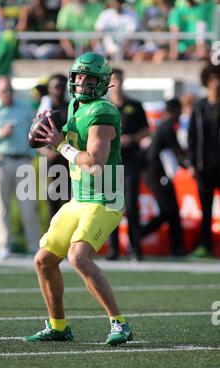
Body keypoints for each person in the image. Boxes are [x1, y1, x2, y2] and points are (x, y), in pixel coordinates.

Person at [24, 52, 132, 345]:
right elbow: (63, 145)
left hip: (105, 197)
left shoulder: (103, 112)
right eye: (79, 76)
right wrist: (47, 138)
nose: (81, 82)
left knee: (78, 257)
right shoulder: (75, 104)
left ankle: (119, 323)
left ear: (102, 83)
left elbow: (95, 162)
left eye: (89, 78)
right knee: (44, 261)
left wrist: (60, 145)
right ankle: (58, 326)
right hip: (79, 197)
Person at [0, 77, 41, 261]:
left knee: (29, 205)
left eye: (10, 90)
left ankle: (34, 246)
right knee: (1, 205)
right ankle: (3, 246)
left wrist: (31, 154)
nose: (8, 94)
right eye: (4, 91)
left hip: (22, 160)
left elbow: (33, 132)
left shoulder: (24, 108)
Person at [106, 68, 149, 261]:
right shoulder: (102, 107)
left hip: (130, 161)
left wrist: (132, 138)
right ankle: (113, 250)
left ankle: (136, 249)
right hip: (109, 162)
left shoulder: (135, 105)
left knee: (131, 206)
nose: (117, 83)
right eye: (113, 79)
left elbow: (146, 130)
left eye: (119, 79)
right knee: (112, 207)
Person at [141, 98, 186, 256]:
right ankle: (139, 235)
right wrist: (190, 165)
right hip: (156, 174)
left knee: (172, 210)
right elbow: (178, 151)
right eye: (179, 111)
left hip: (158, 174)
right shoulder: (166, 128)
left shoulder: (164, 127)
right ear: (174, 111)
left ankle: (177, 247)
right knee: (169, 210)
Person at [188, 63, 220, 258]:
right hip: (204, 165)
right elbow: (192, 137)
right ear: (206, 82)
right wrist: (192, 163)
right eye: (212, 79)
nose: (215, 83)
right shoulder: (199, 107)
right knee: (205, 209)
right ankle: (204, 245)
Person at [37, 74, 71, 219]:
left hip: (69, 158)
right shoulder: (46, 107)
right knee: (53, 202)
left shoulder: (71, 107)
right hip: (52, 160)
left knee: (71, 201)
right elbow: (36, 136)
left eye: (62, 86)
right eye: (56, 86)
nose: (59, 90)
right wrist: (45, 152)